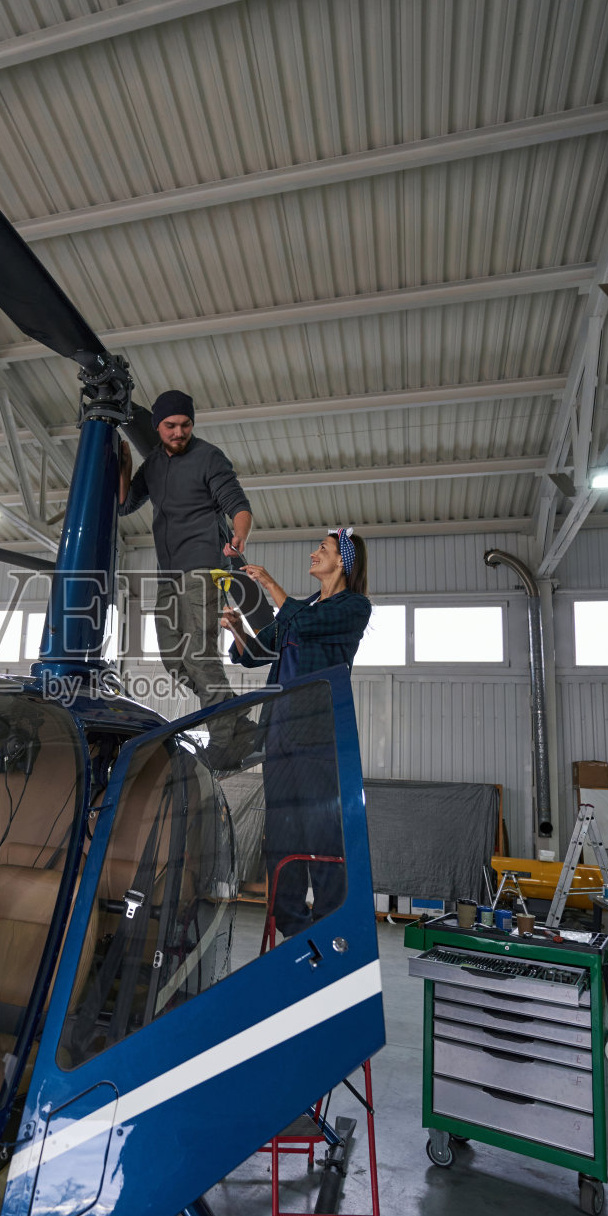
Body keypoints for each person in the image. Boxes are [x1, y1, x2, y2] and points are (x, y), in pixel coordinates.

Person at [222, 530, 371, 939]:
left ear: (343, 562)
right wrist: (237, 629)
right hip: (279, 731)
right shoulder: (300, 608)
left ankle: (329, 925)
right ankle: (290, 924)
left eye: (322, 549)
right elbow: (256, 655)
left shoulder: (353, 607)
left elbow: (304, 626)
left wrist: (269, 583)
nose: (313, 553)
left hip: (317, 733)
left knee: (321, 831)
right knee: (282, 831)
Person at [119, 389, 252, 733]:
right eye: (170, 426)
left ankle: (226, 737)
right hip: (169, 573)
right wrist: (125, 466)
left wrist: (240, 535)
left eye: (185, 425)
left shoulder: (209, 457)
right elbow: (125, 505)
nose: (179, 432)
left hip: (205, 566)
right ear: (156, 426)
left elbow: (237, 504)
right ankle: (236, 718)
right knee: (175, 661)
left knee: (199, 655)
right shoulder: (153, 465)